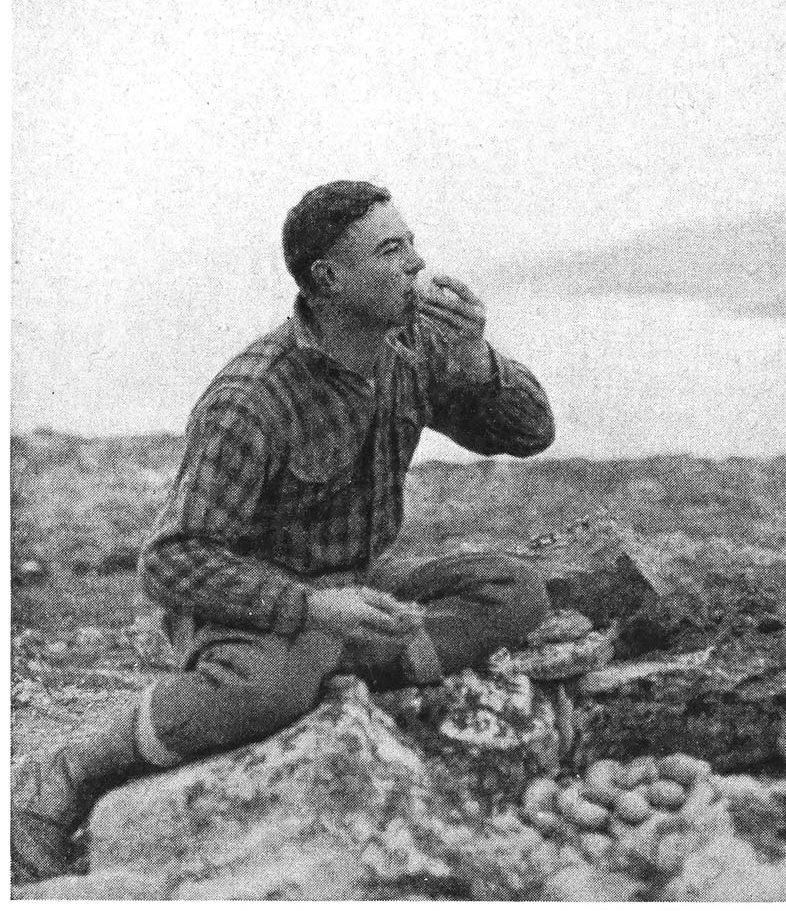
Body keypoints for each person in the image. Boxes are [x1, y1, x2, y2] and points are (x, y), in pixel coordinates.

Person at [12, 180, 557, 883]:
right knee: (273, 684)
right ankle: (68, 768)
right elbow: (172, 560)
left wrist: (482, 363)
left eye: (412, 244)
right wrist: (309, 608)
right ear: (329, 279)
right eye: (392, 250)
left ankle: (328, 661)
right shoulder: (254, 395)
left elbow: (532, 433)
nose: (417, 264)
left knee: (514, 590)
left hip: (351, 589)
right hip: (243, 608)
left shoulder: (415, 345)